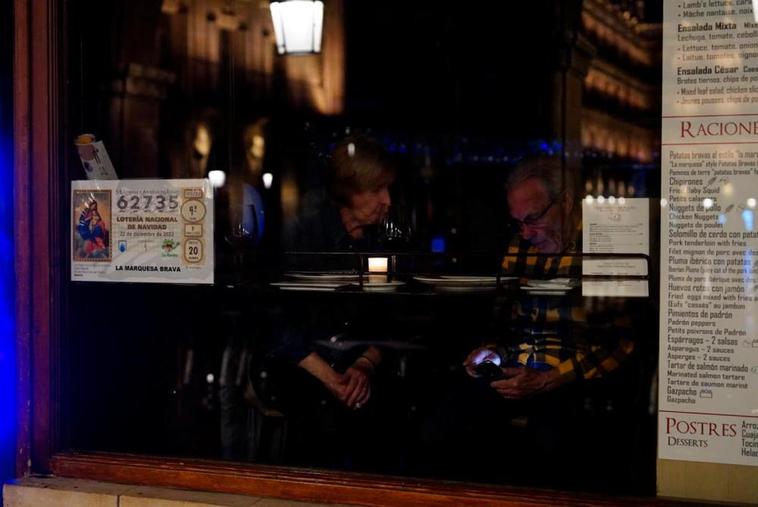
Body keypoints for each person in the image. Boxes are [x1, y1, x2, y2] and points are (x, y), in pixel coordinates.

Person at [421, 158, 635, 484]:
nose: (526, 233)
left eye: (533, 219)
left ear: (565, 201)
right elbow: (503, 320)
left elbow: (622, 342)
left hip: (574, 378)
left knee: (550, 449)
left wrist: (551, 378)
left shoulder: (606, 241)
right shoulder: (519, 248)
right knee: (440, 427)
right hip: (516, 370)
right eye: (518, 222)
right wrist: (490, 352)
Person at [263, 134, 399, 468]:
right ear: (349, 191)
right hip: (305, 364)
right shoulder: (304, 234)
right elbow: (278, 326)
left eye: (389, 189)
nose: (388, 200)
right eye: (377, 190)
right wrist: (332, 379)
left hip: (359, 365)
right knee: (322, 421)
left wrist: (364, 364)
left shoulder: (380, 241)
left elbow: (391, 318)